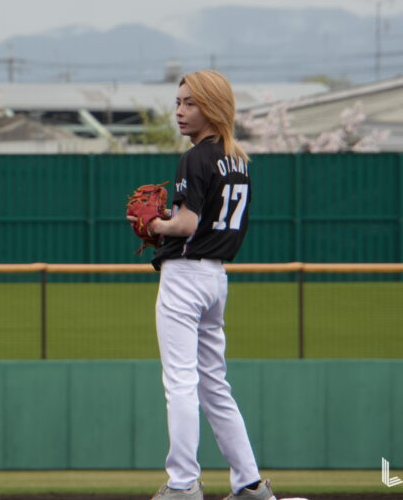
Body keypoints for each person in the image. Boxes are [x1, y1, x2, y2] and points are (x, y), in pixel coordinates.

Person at [134, 70, 276, 500]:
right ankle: (249, 483)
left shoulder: (195, 158)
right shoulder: (238, 159)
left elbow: (186, 224)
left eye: (189, 103)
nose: (179, 111)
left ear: (213, 107)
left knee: (180, 382)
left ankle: (182, 485)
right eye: (178, 102)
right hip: (216, 277)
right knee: (214, 383)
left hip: (185, 274)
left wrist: (155, 223)